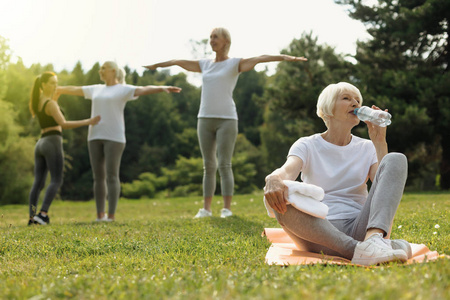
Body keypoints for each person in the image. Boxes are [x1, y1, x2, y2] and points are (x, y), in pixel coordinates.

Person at [144, 27, 307, 219]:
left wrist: (286, 58)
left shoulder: (234, 64)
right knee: (208, 165)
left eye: (215, 37)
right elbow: (177, 62)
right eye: (210, 37)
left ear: (225, 41)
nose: (211, 40)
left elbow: (261, 57)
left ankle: (227, 209)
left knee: (224, 164)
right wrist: (156, 65)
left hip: (227, 119)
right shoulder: (204, 64)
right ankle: (206, 209)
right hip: (204, 118)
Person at [264, 82, 412, 266]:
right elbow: (287, 170)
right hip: (317, 232)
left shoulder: (367, 147)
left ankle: (373, 241)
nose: (355, 103)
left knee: (396, 159)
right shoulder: (307, 144)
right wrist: (273, 178)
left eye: (358, 100)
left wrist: (380, 142)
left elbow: (384, 186)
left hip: (362, 227)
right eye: (346, 98)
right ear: (327, 109)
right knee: (283, 198)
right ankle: (362, 249)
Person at [55, 61, 181, 222]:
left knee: (112, 175)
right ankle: (100, 215)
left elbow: (142, 89)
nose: (100, 71)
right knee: (98, 177)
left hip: (114, 137)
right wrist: (59, 89)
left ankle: (111, 216)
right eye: (100, 68)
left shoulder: (123, 89)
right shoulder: (95, 89)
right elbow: (75, 89)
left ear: (113, 71)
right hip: (94, 136)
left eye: (104, 68)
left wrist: (162, 88)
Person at [28, 71, 101, 225]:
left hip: (40, 143)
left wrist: (56, 96)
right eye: (52, 83)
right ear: (43, 85)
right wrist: (89, 121)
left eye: (57, 83)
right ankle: (42, 215)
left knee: (38, 183)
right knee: (56, 180)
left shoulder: (38, 101)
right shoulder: (51, 104)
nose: (56, 86)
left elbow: (49, 111)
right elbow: (64, 124)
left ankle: (32, 217)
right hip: (52, 142)